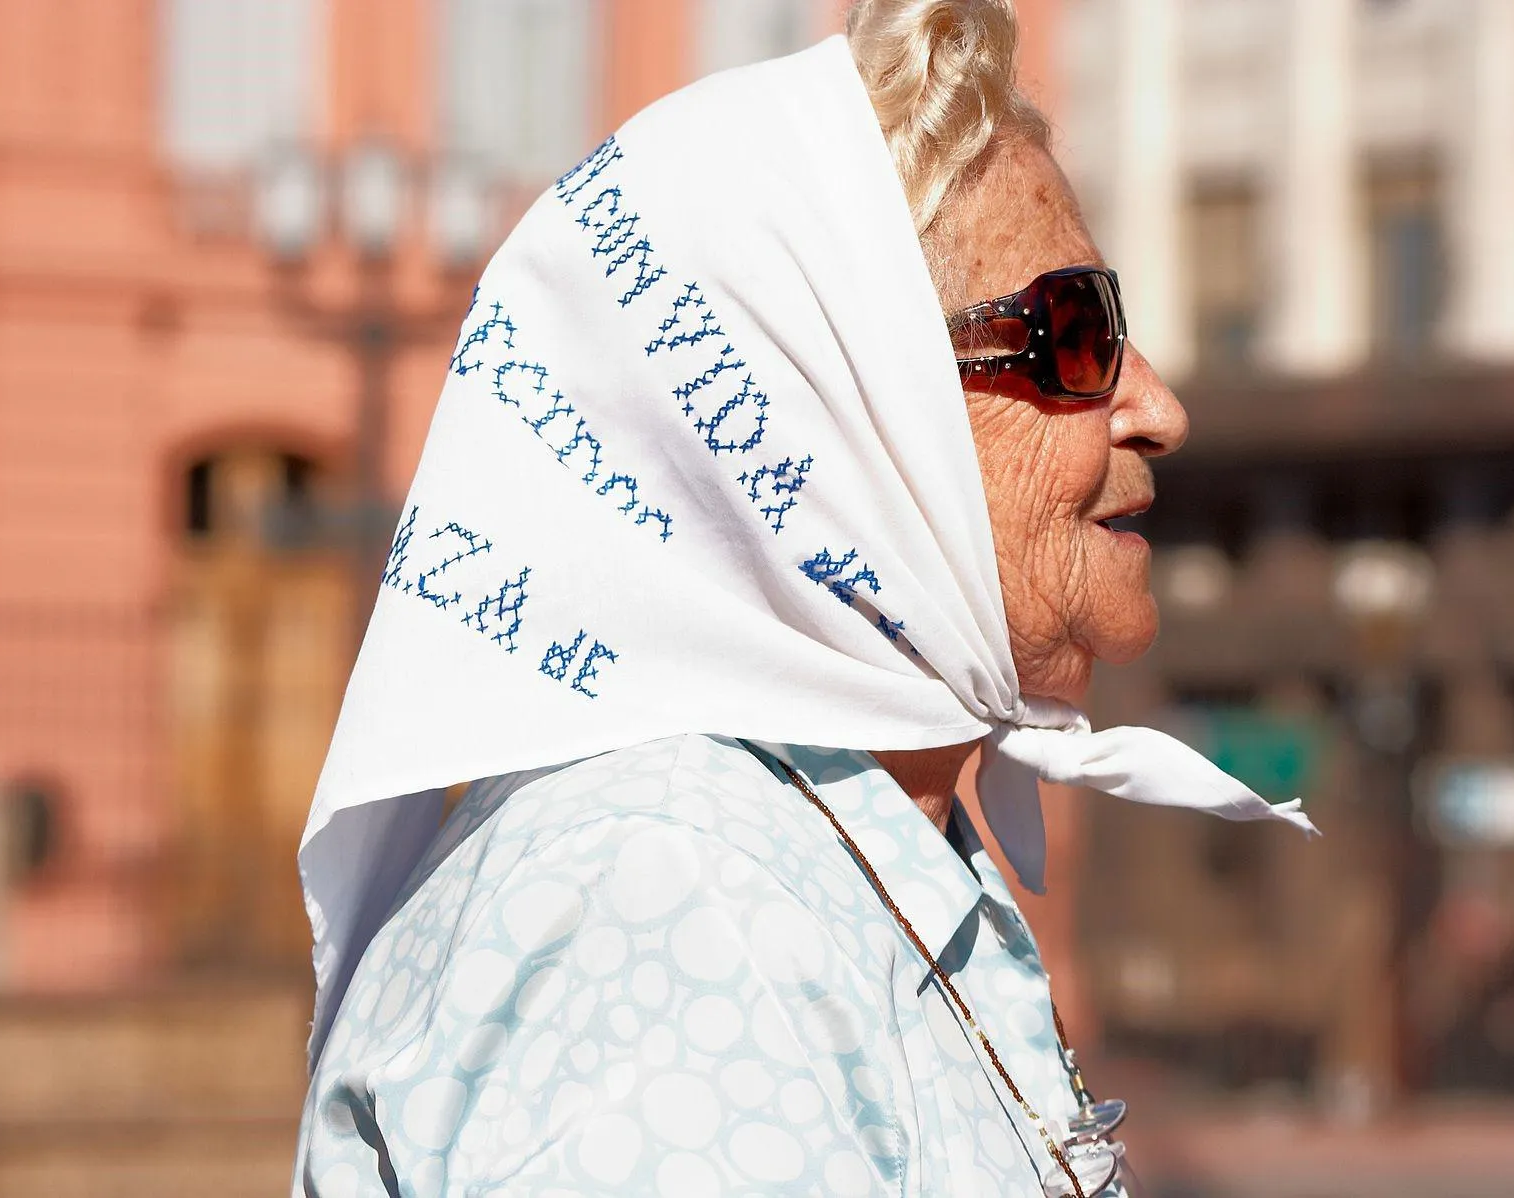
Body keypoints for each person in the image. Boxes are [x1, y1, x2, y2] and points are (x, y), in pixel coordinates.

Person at [293, 2, 1316, 1194]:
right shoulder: (669, 905)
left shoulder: (808, 842)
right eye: (1073, 335)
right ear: (846, 410)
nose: (1158, 406)